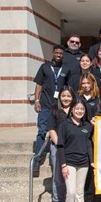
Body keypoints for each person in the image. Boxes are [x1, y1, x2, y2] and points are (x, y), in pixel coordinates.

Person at [33, 44, 71, 176]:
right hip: (45, 106)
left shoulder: (66, 69)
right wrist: (36, 100)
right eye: (57, 53)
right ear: (53, 53)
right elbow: (38, 84)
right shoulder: (44, 67)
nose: (59, 55)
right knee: (42, 132)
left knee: (57, 132)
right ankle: (37, 161)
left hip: (59, 107)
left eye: (61, 53)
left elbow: (67, 88)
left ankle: (54, 159)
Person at [57, 98, 95, 202]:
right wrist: (63, 165)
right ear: (72, 110)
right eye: (77, 108)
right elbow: (60, 146)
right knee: (71, 192)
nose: (80, 111)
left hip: (83, 163)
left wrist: (91, 161)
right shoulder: (64, 124)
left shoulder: (87, 126)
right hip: (69, 163)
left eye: (82, 109)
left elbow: (89, 144)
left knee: (79, 193)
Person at [46, 87, 74, 202]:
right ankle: (58, 200)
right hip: (58, 146)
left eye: (68, 96)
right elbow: (51, 129)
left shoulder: (76, 109)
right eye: (63, 96)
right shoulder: (55, 110)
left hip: (73, 146)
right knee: (58, 175)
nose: (66, 99)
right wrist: (60, 144)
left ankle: (70, 200)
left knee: (71, 175)